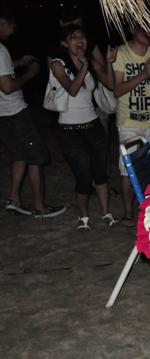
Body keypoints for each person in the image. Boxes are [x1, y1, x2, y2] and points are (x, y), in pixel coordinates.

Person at [49, 25, 117, 230]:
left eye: (83, 37)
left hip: (93, 125)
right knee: (83, 176)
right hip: (69, 131)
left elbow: (110, 84)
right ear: (64, 43)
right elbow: (72, 89)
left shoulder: (91, 62)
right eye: (74, 37)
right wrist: (84, 66)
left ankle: (106, 213)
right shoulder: (57, 64)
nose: (80, 40)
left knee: (101, 173)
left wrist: (109, 63)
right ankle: (84, 217)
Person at [0, 7, 65, 218]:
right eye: (12, 24)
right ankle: (39, 207)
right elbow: (7, 87)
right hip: (14, 112)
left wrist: (17, 63)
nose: (14, 28)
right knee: (36, 157)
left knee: (19, 155)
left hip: (3, 114)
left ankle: (13, 199)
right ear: (3, 23)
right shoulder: (0, 49)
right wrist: (31, 73)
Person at [113, 24, 150, 226]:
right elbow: (117, 90)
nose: (149, 33)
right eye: (143, 28)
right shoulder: (121, 53)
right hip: (129, 122)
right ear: (132, 29)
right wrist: (144, 74)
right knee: (127, 169)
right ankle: (128, 212)